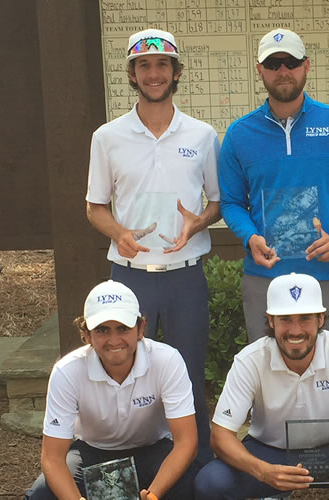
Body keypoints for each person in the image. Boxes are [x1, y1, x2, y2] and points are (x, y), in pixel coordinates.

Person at [85, 28, 219, 465]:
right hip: (128, 278)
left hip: (185, 276)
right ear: (132, 73)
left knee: (188, 377)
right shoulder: (108, 136)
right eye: (144, 65)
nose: (154, 74)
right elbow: (95, 207)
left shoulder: (202, 135)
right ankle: (126, 464)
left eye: (163, 65)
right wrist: (118, 233)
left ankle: (196, 471)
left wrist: (200, 221)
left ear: (176, 72)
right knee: (122, 374)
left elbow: (217, 202)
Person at [218, 28, 329, 343]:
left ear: (306, 66)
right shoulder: (239, 135)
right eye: (273, 63)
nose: (283, 71)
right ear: (259, 70)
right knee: (267, 374)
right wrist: (250, 236)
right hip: (265, 278)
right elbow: (232, 203)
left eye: (291, 62)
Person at [194, 273, 329, 499]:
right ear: (270, 320)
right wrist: (262, 471)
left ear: (321, 319)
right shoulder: (250, 360)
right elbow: (221, 435)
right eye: (285, 319)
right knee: (211, 482)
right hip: (268, 451)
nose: (295, 330)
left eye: (305, 318)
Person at [24, 280, 199, 500]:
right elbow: (52, 458)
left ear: (141, 329)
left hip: (152, 450)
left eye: (123, 328)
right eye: (102, 330)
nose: (114, 340)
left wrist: (154, 496)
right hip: (90, 452)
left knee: (193, 484)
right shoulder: (66, 371)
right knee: (41, 494)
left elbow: (186, 443)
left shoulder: (167, 360)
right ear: (86, 335)